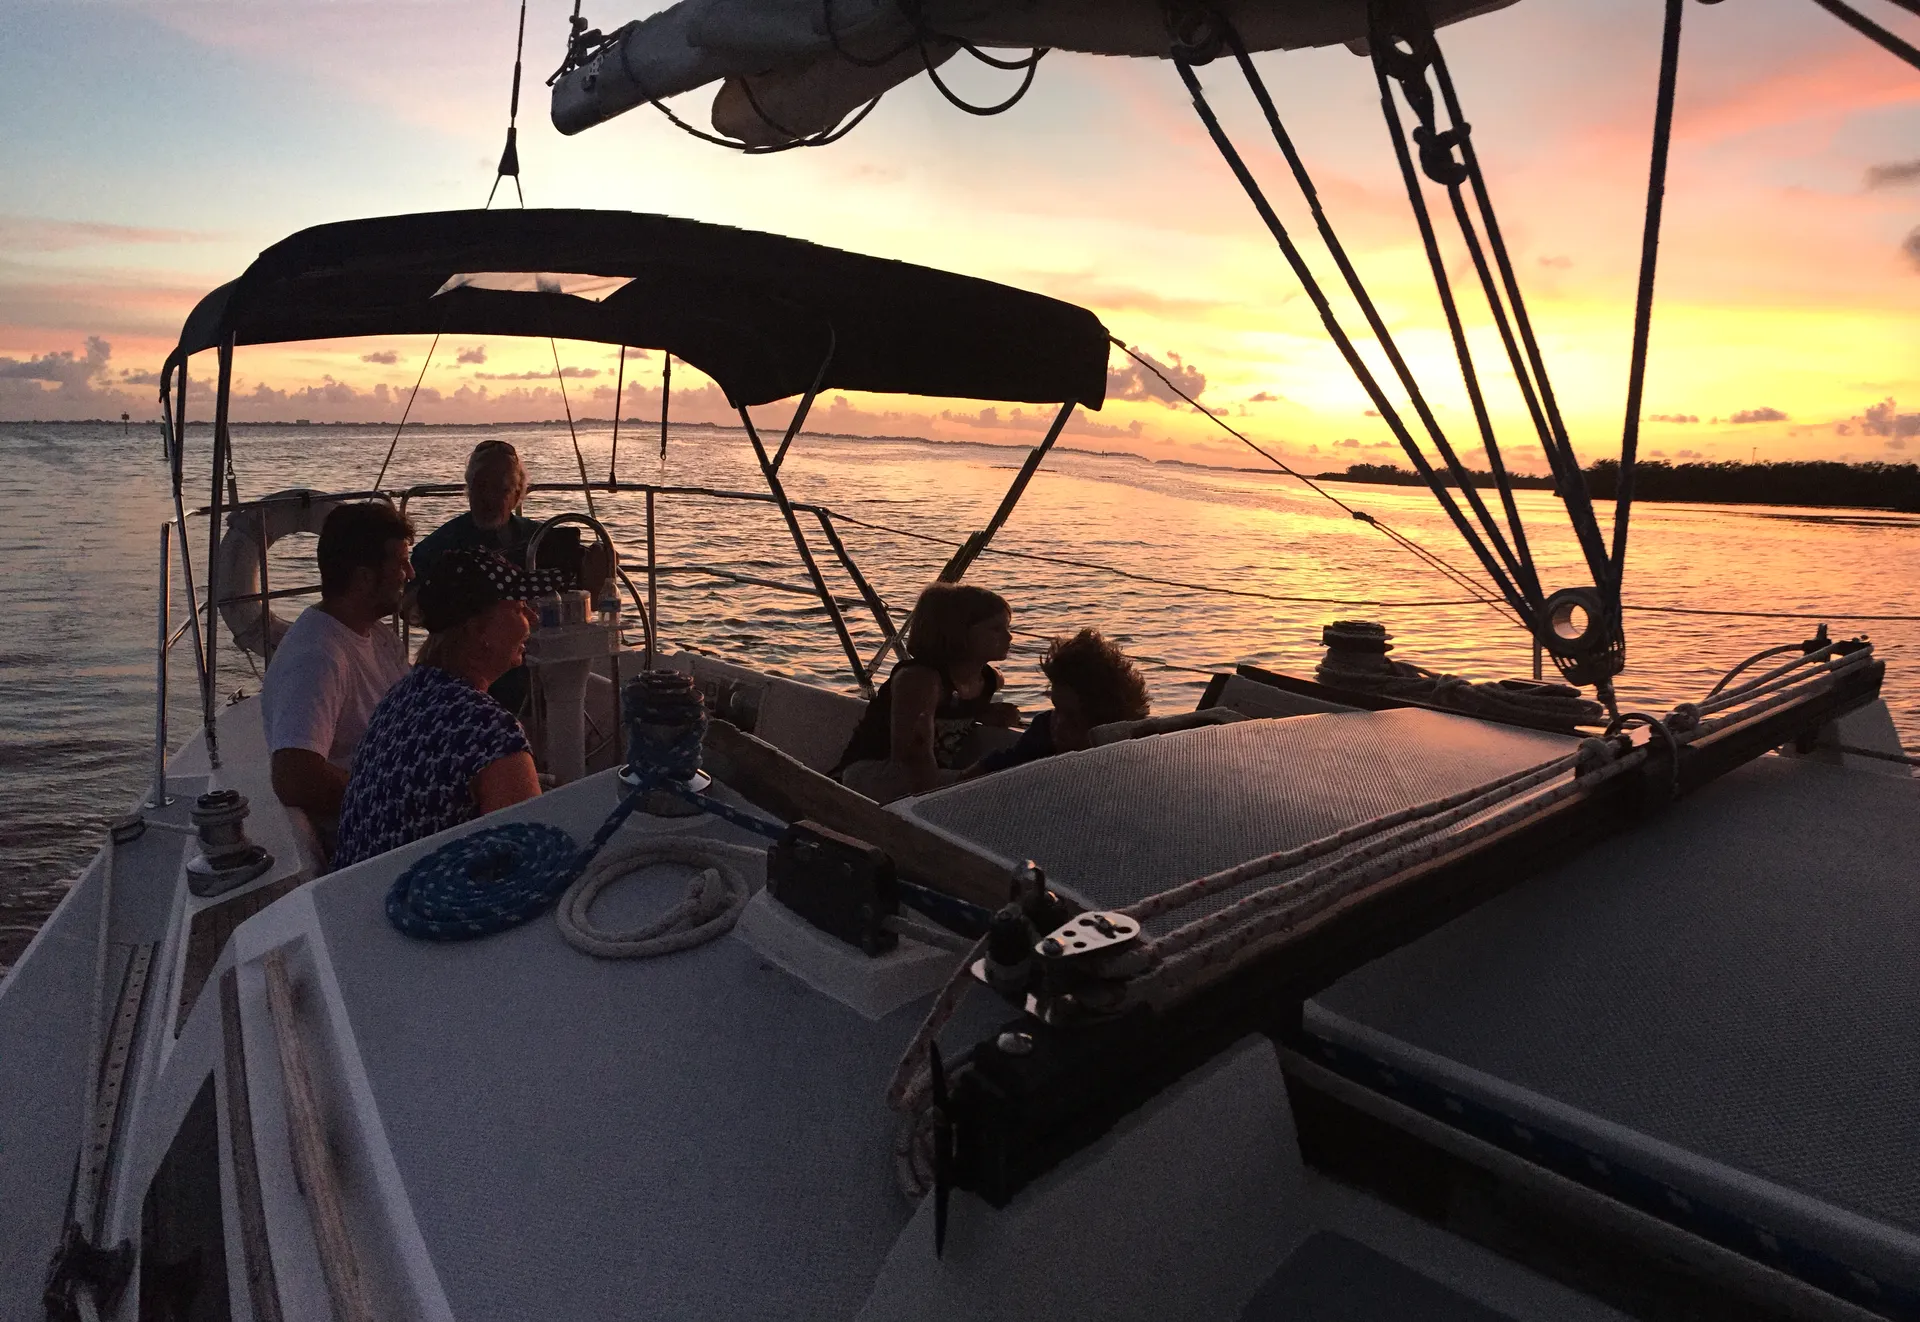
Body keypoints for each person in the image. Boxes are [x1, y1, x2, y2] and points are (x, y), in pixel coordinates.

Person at [331, 549, 546, 870]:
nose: (533, 618)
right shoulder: (489, 732)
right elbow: (527, 863)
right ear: (477, 631)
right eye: (517, 608)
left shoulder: (401, 698)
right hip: (421, 909)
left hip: (360, 897)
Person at [409, 438, 610, 714]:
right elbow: (409, 607)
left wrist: (600, 573)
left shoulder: (544, 541)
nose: (488, 498)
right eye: (480, 486)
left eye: (500, 489)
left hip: (538, 669)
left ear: (517, 496)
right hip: (466, 676)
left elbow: (591, 602)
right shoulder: (436, 547)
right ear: (467, 490)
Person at [260, 502, 414, 822]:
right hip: (377, 829)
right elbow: (295, 776)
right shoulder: (318, 657)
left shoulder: (378, 636)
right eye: (401, 564)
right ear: (362, 579)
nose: (411, 574)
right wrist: (395, 804)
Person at [833, 582, 1021, 802]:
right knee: (996, 787)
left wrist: (983, 713)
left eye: (1007, 628)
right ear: (958, 632)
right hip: (876, 774)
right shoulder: (920, 680)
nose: (1009, 637)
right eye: (996, 628)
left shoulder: (990, 680)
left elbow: (954, 710)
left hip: (927, 775)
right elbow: (908, 758)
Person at [974, 628, 1151, 774]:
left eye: (1073, 718)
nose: (1058, 724)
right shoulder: (1043, 732)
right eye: (1057, 709)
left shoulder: (1130, 754)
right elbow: (992, 768)